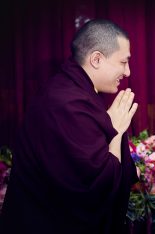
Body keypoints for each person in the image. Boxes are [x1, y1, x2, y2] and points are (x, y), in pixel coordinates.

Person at [0, 19, 138, 233]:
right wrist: (115, 132)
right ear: (97, 59)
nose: (128, 72)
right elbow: (94, 190)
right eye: (123, 62)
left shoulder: (75, 90)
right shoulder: (66, 103)